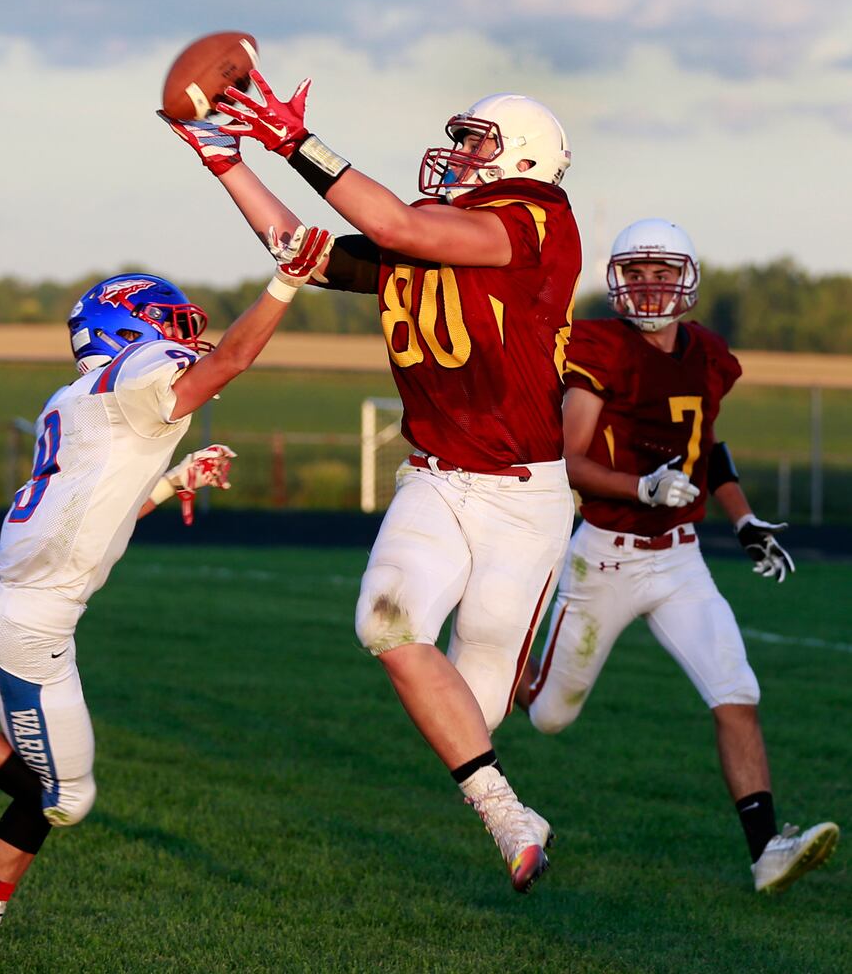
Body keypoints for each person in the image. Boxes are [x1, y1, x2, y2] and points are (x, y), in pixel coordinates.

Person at [0, 230, 334, 943]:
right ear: (127, 330)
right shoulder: (135, 375)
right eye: (167, 325)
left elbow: (96, 508)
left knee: (55, 789)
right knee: (64, 797)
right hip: (27, 619)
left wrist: (173, 478)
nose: (182, 339)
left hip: (19, 600)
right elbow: (232, 360)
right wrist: (286, 282)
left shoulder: (81, 397)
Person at [161, 73, 582, 892]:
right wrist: (227, 163)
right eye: (459, 138)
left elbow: (385, 219)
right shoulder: (428, 231)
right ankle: (506, 813)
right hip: (432, 477)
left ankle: (536, 657)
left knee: (477, 711)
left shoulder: (538, 221)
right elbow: (303, 253)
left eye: (476, 142)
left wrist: (291, 141)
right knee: (386, 624)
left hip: (523, 497)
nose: (458, 153)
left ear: (525, 157)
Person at [515, 217, 839, 893]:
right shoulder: (599, 347)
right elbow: (567, 460)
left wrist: (742, 519)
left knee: (735, 691)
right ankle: (499, 655)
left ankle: (766, 851)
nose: (648, 286)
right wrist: (641, 485)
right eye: (634, 274)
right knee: (549, 717)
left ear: (686, 280)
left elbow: (707, 446)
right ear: (616, 282)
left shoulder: (707, 354)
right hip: (604, 554)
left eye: (661, 273)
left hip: (680, 559)